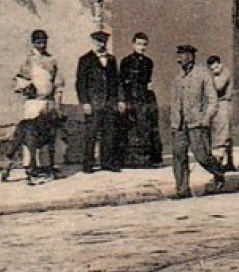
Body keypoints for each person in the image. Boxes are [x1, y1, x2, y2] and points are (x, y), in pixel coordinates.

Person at [165, 44, 228, 199]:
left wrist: (206, 118)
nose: (179, 57)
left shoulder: (203, 75)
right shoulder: (177, 78)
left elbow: (213, 100)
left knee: (202, 156)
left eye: (183, 54)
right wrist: (174, 123)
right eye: (178, 54)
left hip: (197, 123)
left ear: (191, 57)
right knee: (179, 156)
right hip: (180, 124)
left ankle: (219, 173)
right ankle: (182, 190)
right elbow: (174, 102)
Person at [9, 29, 63, 183]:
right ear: (33, 43)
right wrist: (26, 87)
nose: (42, 45)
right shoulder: (28, 60)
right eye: (38, 42)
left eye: (44, 42)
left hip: (48, 103)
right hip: (33, 103)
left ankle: (47, 166)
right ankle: (30, 167)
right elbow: (19, 79)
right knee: (30, 136)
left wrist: (57, 104)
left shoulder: (51, 60)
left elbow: (57, 83)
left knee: (49, 135)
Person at [75, 29, 123, 173]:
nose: (101, 44)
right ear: (93, 42)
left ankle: (107, 163)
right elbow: (80, 83)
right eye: (98, 41)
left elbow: (117, 81)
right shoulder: (85, 59)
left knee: (109, 133)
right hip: (93, 103)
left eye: (103, 41)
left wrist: (120, 100)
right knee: (91, 134)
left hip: (109, 102)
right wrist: (85, 102)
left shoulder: (112, 60)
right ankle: (88, 164)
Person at [120, 32, 161, 167]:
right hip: (130, 97)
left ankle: (146, 159)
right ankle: (130, 160)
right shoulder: (126, 61)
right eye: (139, 44)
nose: (142, 47)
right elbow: (121, 82)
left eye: (144, 45)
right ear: (133, 44)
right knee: (131, 128)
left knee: (145, 127)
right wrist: (123, 100)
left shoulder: (149, 62)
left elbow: (148, 81)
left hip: (144, 98)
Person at [206, 55, 234, 171]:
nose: (214, 70)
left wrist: (207, 82)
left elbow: (218, 86)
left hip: (223, 104)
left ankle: (220, 163)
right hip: (217, 104)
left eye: (215, 67)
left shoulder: (225, 73)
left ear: (219, 63)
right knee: (222, 133)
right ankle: (229, 162)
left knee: (222, 133)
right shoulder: (215, 74)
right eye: (212, 69)